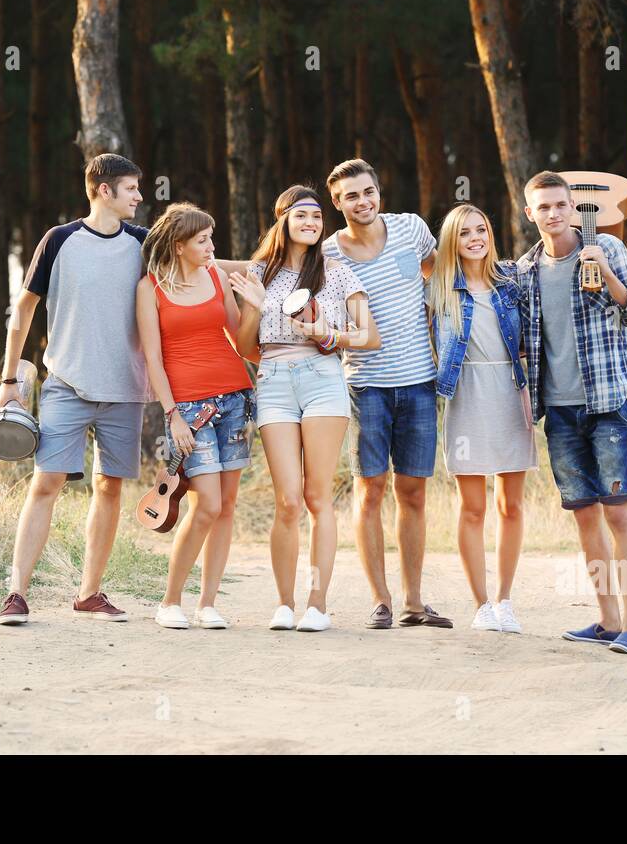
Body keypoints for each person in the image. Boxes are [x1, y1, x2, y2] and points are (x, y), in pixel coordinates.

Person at [0, 154, 150, 626]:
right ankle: (16, 593)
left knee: (110, 489)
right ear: (104, 190)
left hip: (126, 389)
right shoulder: (59, 240)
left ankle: (90, 593)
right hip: (66, 383)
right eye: (131, 188)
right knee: (46, 483)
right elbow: (22, 312)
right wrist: (8, 380)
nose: (140, 197)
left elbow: (200, 258)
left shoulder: (145, 243)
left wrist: (260, 262)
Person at [227, 185, 380, 632]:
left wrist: (327, 334)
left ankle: (317, 604)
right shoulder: (259, 273)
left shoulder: (336, 273)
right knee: (287, 500)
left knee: (317, 496)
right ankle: (283, 603)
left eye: (317, 217)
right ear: (284, 221)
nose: (312, 223)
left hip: (322, 380)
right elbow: (243, 345)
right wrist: (255, 307)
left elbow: (369, 336)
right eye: (302, 216)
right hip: (273, 380)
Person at [516, 171, 627, 655]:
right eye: (543, 207)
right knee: (585, 517)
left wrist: (606, 274)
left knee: (619, 514)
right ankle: (608, 621)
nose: (553, 214)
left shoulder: (608, 250)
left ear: (573, 208)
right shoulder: (525, 271)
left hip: (608, 402)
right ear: (530, 214)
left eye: (560, 205)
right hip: (561, 410)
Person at [322, 158, 451, 630]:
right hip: (366, 385)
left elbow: (444, 273)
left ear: (379, 191)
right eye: (352, 196)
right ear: (337, 203)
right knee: (370, 491)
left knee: (413, 493)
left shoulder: (411, 229)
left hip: (420, 381)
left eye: (369, 191)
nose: (363, 201)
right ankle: (380, 600)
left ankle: (415, 602)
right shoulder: (329, 253)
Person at [136, 203, 254, 631]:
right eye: (203, 240)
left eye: (211, 238)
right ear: (179, 245)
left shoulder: (217, 276)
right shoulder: (150, 289)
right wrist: (173, 415)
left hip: (235, 399)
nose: (211, 246)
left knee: (226, 507)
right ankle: (169, 601)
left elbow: (240, 339)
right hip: (190, 408)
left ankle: (207, 604)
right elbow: (152, 357)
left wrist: (259, 309)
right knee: (207, 504)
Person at [428, 205, 536, 633]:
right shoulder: (439, 289)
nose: (476, 238)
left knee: (510, 504)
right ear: (452, 241)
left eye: (482, 229)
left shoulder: (511, 282)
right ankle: (481, 605)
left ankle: (505, 600)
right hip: (466, 396)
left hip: (511, 392)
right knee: (472, 507)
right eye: (466, 232)